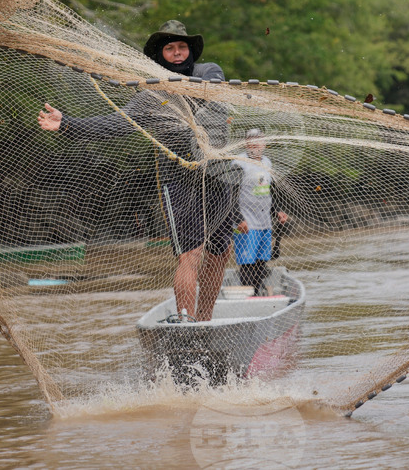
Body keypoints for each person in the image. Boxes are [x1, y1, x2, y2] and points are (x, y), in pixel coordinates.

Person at [38, 20, 236, 321]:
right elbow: (117, 124)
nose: (177, 52)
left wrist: (169, 83)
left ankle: (205, 320)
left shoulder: (208, 72)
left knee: (219, 252)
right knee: (190, 253)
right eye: (169, 48)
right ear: (159, 55)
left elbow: (210, 93)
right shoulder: (149, 95)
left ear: (191, 51)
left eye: (182, 46)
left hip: (217, 172)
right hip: (177, 174)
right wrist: (67, 124)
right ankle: (186, 322)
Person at [233, 128, 288, 296]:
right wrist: (239, 219)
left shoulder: (267, 162)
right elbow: (231, 195)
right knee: (247, 263)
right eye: (251, 140)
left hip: (264, 221)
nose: (255, 144)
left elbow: (266, 190)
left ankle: (258, 294)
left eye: (258, 141)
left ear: (264, 144)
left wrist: (278, 211)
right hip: (246, 222)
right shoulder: (238, 162)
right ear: (246, 143)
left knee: (262, 261)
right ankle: (249, 297)